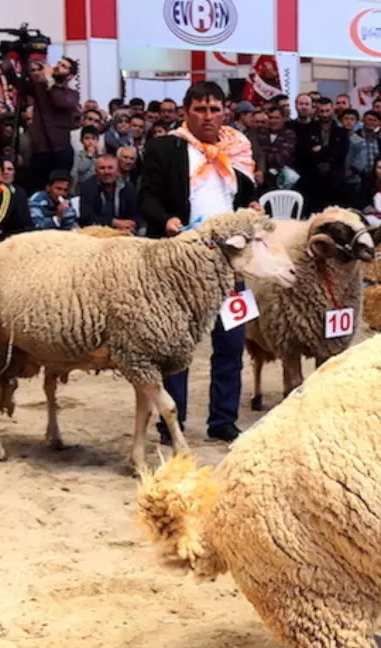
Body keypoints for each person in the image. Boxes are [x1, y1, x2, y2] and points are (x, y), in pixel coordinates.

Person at [139, 80, 257, 444]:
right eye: (200, 110)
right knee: (176, 345)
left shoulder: (238, 147)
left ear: (225, 111)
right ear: (186, 111)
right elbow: (146, 197)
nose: (208, 117)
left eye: (215, 109)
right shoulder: (164, 147)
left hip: (229, 259)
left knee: (232, 343)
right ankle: (171, 421)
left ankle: (223, 420)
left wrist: (251, 208)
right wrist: (166, 221)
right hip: (182, 258)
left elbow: (247, 194)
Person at [7, 57, 81, 193]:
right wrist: (9, 61)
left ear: (70, 75)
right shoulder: (41, 88)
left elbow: (60, 102)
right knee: (37, 190)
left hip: (60, 150)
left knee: (60, 188)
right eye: (58, 63)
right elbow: (18, 83)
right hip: (40, 150)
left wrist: (49, 80)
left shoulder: (71, 94)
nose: (58, 67)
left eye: (64, 66)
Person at [78, 153, 139, 232]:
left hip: (124, 228)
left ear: (117, 170)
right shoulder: (88, 187)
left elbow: (135, 214)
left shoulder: (128, 187)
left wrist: (132, 224)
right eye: (102, 168)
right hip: (97, 229)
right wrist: (113, 222)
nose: (107, 172)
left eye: (110, 168)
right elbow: (87, 217)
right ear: (96, 171)